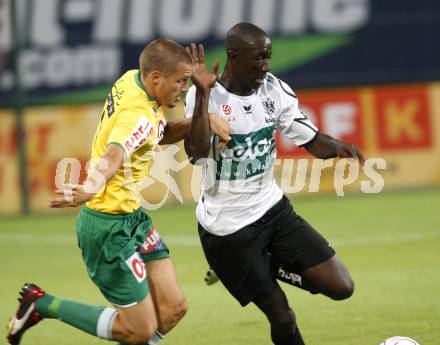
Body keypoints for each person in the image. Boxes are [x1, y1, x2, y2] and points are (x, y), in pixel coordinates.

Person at [6, 39, 224, 345]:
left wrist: (203, 120)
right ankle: (41, 304)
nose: (185, 88)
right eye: (181, 81)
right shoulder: (138, 114)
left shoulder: (133, 80)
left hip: (133, 218)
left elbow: (155, 136)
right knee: (139, 331)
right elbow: (115, 152)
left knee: (174, 308)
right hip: (107, 227)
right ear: (157, 78)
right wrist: (93, 183)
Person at [184, 23, 365, 345]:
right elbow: (196, 153)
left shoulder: (274, 89)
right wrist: (201, 94)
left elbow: (310, 140)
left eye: (268, 57)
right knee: (282, 316)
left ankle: (262, 263)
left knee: (342, 287)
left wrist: (337, 146)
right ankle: (238, 265)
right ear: (234, 58)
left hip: (273, 209)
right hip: (229, 230)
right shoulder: (206, 98)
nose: (266, 65)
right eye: (260, 58)